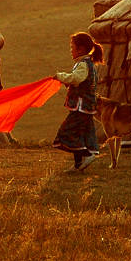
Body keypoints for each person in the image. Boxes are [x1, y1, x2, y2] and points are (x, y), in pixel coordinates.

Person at [52, 31, 104, 171]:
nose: (71, 51)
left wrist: (60, 76)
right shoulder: (88, 64)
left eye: (72, 47)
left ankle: (86, 155)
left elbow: (77, 79)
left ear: (80, 49)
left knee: (67, 132)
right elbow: (83, 81)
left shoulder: (83, 64)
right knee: (81, 134)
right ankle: (78, 164)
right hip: (87, 106)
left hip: (81, 106)